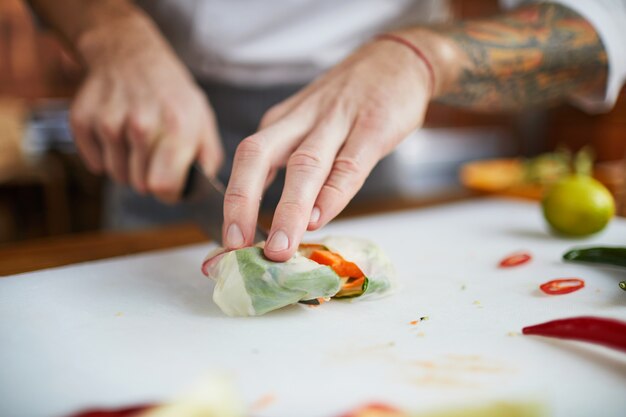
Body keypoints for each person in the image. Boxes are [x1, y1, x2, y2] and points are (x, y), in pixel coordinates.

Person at [28, 0, 626, 262]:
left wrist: (422, 59)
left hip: (363, 120)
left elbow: (601, 20)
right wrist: (110, 30)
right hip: (159, 106)